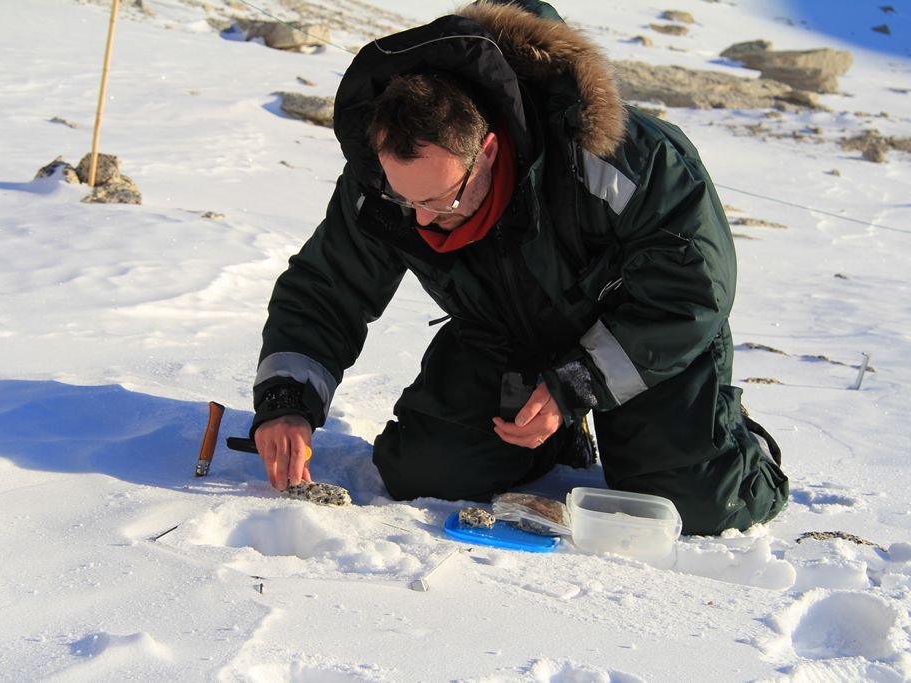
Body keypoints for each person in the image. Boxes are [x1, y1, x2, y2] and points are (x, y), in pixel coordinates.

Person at [247, 0, 789, 535]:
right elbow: (327, 288)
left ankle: (742, 445)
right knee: (426, 474)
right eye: (405, 199)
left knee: (693, 503)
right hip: (504, 338)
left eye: (441, 200)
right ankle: (558, 440)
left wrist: (576, 384)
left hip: (638, 341)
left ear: (485, 150)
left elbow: (690, 292)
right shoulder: (382, 181)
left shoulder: (618, 157)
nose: (423, 220)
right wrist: (287, 404)